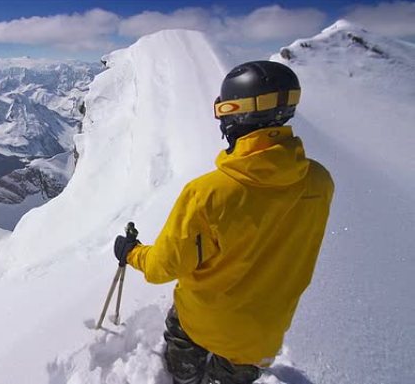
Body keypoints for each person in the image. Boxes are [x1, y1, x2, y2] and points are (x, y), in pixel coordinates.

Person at [114, 61, 334, 384]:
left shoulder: (208, 195)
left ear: (237, 115)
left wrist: (132, 252)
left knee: (183, 349)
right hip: (261, 337)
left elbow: (164, 266)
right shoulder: (319, 182)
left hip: (201, 323)